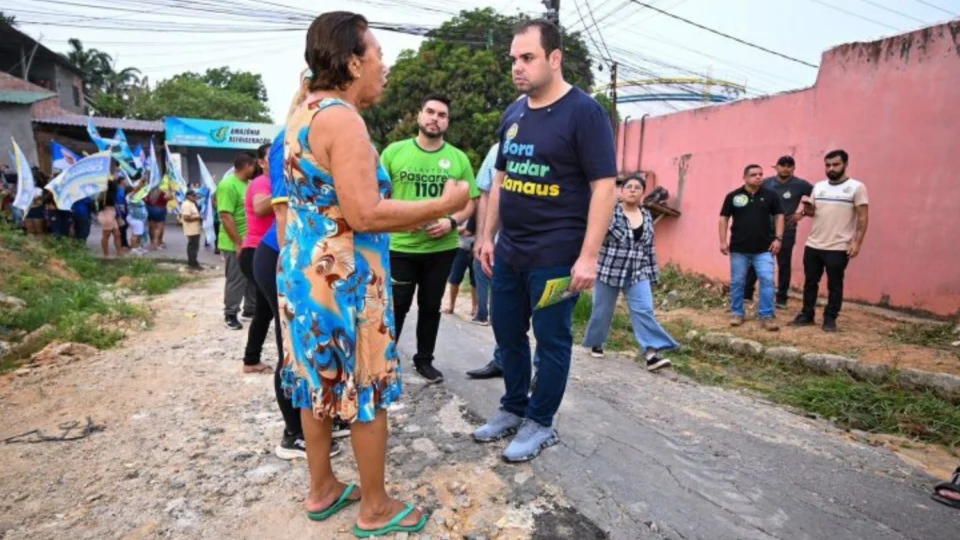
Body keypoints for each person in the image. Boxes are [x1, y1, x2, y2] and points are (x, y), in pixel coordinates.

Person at [276, 11, 469, 535]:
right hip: (345, 281)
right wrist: (442, 206)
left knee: (316, 382)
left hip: (304, 273)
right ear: (354, 61)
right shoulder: (342, 118)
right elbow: (364, 213)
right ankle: (376, 506)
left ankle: (322, 489)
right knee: (365, 386)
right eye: (379, 54)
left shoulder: (302, 112)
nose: (384, 65)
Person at [472, 19, 618, 463]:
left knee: (551, 339)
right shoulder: (513, 113)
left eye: (527, 57)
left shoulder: (585, 113)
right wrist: (486, 236)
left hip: (556, 253)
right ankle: (513, 408)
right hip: (511, 249)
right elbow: (501, 178)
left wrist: (589, 256)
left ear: (554, 59)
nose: (517, 67)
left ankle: (541, 421)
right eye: (514, 59)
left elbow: (605, 187)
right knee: (506, 332)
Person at [253, 127, 347, 461]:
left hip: (310, 261)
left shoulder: (321, 129)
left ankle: (324, 419)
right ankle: (293, 434)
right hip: (282, 258)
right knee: (292, 350)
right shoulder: (290, 136)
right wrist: (290, 278)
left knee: (318, 345)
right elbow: (282, 214)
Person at [380, 95, 479, 383]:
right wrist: (400, 218)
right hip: (399, 246)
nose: (435, 118)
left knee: (430, 306)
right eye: (430, 112)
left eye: (442, 115)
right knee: (396, 305)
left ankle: (424, 360)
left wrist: (451, 221)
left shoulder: (458, 159)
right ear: (419, 115)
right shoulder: (394, 152)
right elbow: (378, 195)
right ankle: (386, 359)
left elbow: (470, 202)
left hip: (441, 249)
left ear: (447, 122)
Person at [582, 174, 678, 370]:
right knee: (602, 311)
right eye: (629, 187)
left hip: (637, 273)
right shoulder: (609, 213)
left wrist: (653, 274)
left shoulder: (647, 217)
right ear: (622, 191)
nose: (633, 190)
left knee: (644, 310)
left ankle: (652, 353)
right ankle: (597, 341)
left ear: (643, 193)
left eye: (637, 187)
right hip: (609, 270)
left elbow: (649, 247)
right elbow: (596, 236)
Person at [790, 149, 869, 332]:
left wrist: (857, 243)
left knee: (835, 284)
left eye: (835, 164)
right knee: (810, 281)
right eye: (827, 165)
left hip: (839, 246)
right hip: (814, 244)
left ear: (845, 164)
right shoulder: (819, 186)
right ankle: (807, 314)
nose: (831, 168)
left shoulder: (857, 187)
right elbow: (812, 212)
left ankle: (830, 318)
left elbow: (863, 218)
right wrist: (805, 211)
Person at [719, 164, 784, 330]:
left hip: (764, 249)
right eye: (754, 175)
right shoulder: (733, 196)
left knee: (768, 281)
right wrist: (723, 241)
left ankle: (766, 316)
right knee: (738, 282)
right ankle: (737, 313)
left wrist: (778, 238)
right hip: (739, 248)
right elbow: (724, 218)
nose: (758, 177)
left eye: (761, 174)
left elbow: (779, 216)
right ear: (745, 177)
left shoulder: (770, 196)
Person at [743, 156, 812, 306]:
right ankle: (747, 294)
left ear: (794, 168)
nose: (786, 168)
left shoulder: (800, 185)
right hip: (763, 230)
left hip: (787, 230)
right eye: (782, 165)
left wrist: (802, 213)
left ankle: (781, 299)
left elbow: (818, 196)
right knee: (755, 261)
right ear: (776, 167)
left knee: (784, 264)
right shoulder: (766, 183)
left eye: (789, 165)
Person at [238, 143, 276, 374]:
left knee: (265, 310)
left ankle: (251, 360)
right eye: (273, 156)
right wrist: (285, 193)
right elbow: (260, 207)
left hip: (263, 252)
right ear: (261, 162)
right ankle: (252, 359)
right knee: (272, 308)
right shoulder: (262, 182)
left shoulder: (275, 182)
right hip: (256, 253)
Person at [217, 153, 258, 331]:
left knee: (252, 277)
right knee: (236, 279)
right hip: (234, 242)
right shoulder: (228, 185)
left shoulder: (248, 185)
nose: (255, 169)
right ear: (247, 166)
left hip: (249, 240)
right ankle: (230, 313)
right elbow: (226, 216)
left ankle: (250, 309)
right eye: (254, 166)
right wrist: (238, 243)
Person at [442, 216, 478, 316]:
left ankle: (475, 308)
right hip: (461, 247)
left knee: (475, 280)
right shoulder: (462, 213)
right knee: (454, 278)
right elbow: (454, 228)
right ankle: (451, 306)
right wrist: (465, 229)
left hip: (476, 247)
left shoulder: (481, 211)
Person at [97, 179, 123, 258]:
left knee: (117, 234)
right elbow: (100, 201)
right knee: (106, 235)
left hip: (112, 214)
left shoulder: (112, 194)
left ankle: (119, 252)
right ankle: (106, 254)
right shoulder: (105, 194)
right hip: (106, 214)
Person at [181, 189, 203, 271]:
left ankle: (193, 262)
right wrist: (198, 217)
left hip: (195, 228)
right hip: (191, 229)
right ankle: (192, 263)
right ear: (188, 196)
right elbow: (186, 218)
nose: (195, 197)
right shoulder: (186, 204)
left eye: (195, 195)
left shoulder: (193, 203)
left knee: (195, 246)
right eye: (193, 196)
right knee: (193, 246)